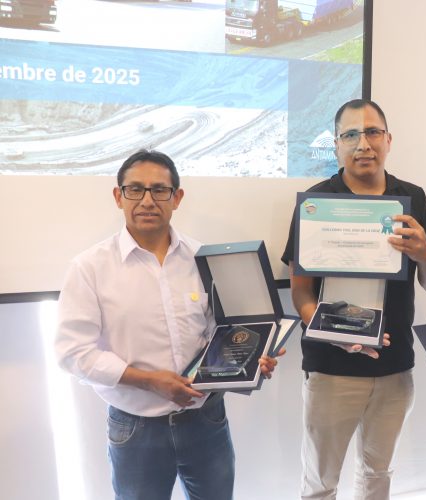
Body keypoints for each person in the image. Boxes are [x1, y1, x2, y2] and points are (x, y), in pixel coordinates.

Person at [55, 150, 281, 500]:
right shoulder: (89, 267)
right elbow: (73, 353)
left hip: (206, 419)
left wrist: (251, 360)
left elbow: (220, 333)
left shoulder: (203, 257)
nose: (147, 200)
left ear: (177, 198)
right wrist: (148, 381)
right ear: (118, 196)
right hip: (137, 428)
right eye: (135, 189)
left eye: (159, 190)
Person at [281, 99, 426, 500]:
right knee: (320, 483)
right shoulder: (316, 202)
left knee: (377, 476)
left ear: (388, 140)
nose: (363, 143)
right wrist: (329, 330)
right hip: (330, 368)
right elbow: (301, 291)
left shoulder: (412, 198)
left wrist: (425, 252)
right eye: (350, 134)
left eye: (372, 132)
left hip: (394, 369)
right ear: (336, 145)